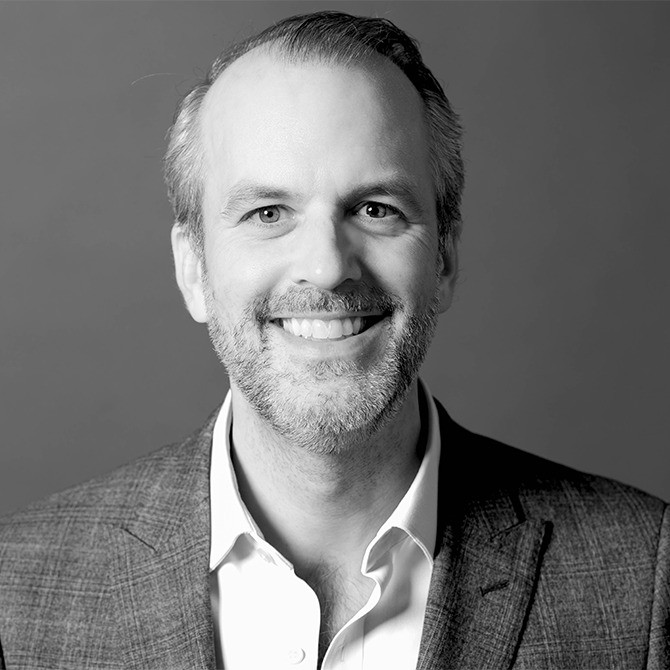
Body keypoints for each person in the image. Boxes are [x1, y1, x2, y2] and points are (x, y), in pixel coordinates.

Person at [0, 10, 667, 669]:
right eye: (268, 213)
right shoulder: (14, 588)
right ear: (194, 268)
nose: (325, 266)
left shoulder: (642, 579)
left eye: (376, 209)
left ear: (444, 260)